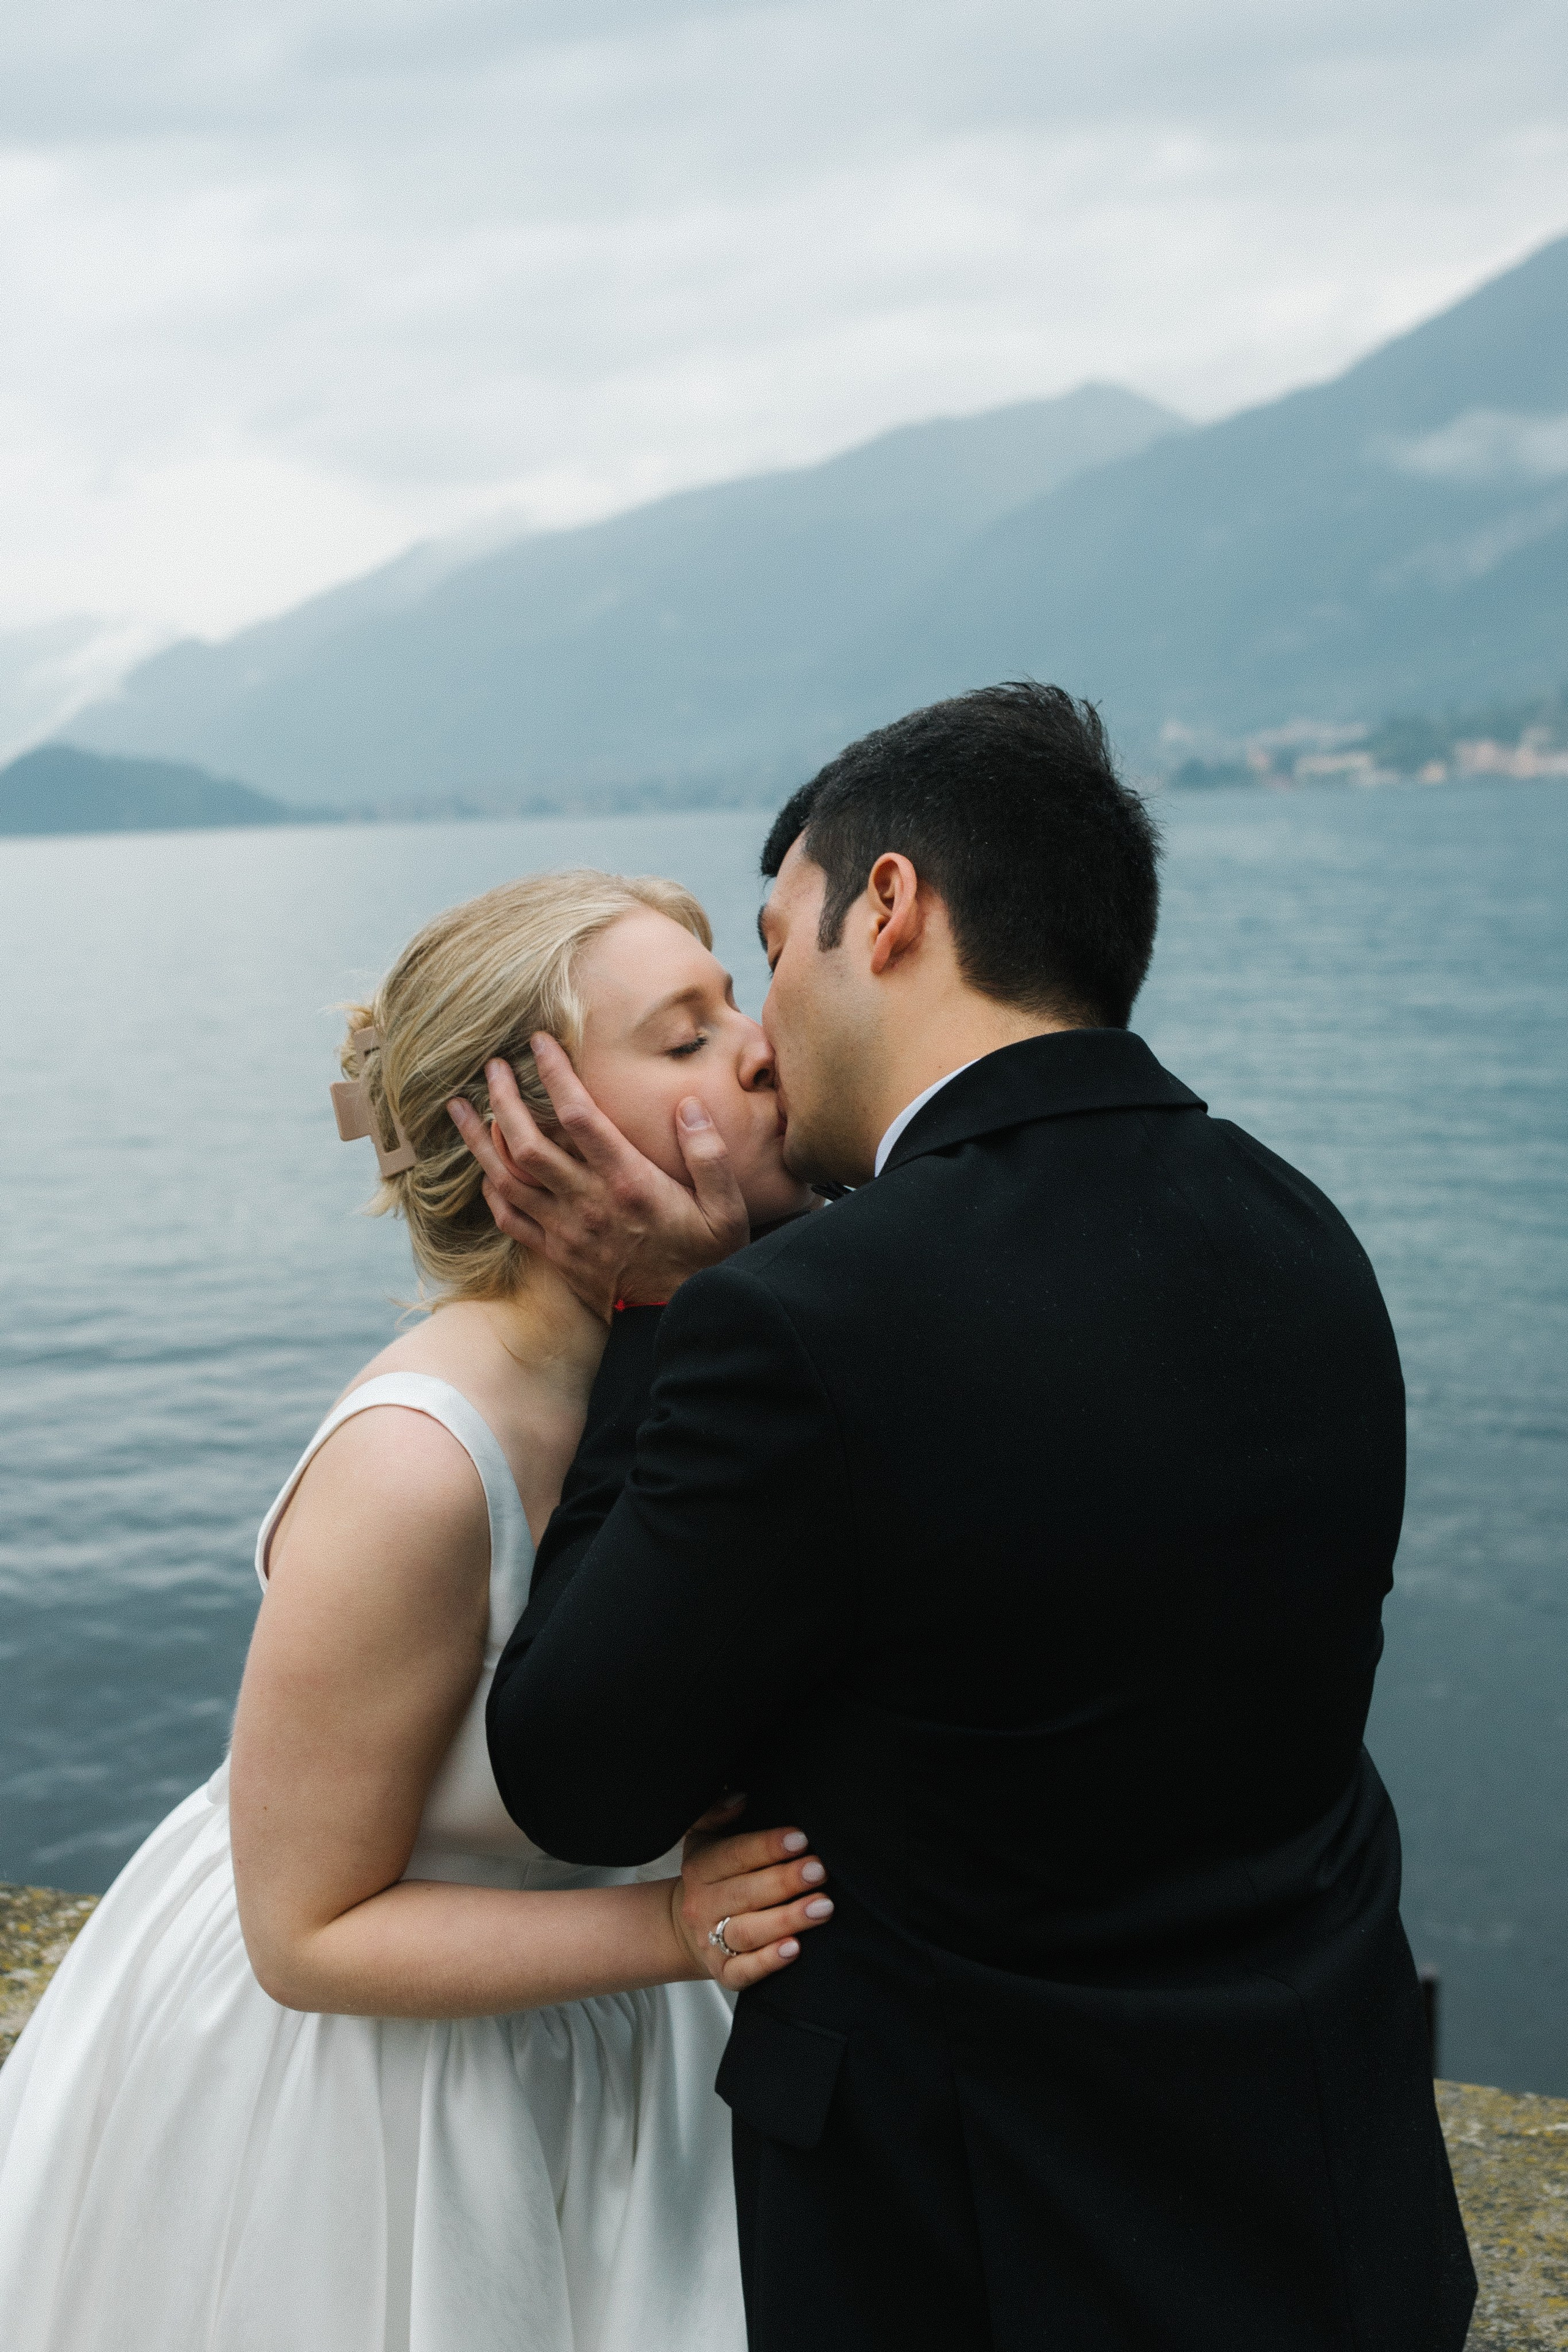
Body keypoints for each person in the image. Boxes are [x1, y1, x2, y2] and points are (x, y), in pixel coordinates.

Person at [461, 685, 1477, 2352]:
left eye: (776, 946)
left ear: (889, 907)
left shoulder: (795, 1325)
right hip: (1328, 2201)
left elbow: (576, 1772)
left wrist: (650, 1308)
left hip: (985, 2250)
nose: (764, 1038)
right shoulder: (1303, 1231)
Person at [0, 869, 837, 2352]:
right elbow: (304, 1934)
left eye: (735, 1003)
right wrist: (670, 1926)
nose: (762, 1046)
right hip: (381, 2103)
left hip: (610, 2058)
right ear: (527, 1130)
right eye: (689, 1034)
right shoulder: (416, 1468)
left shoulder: (714, 1363)